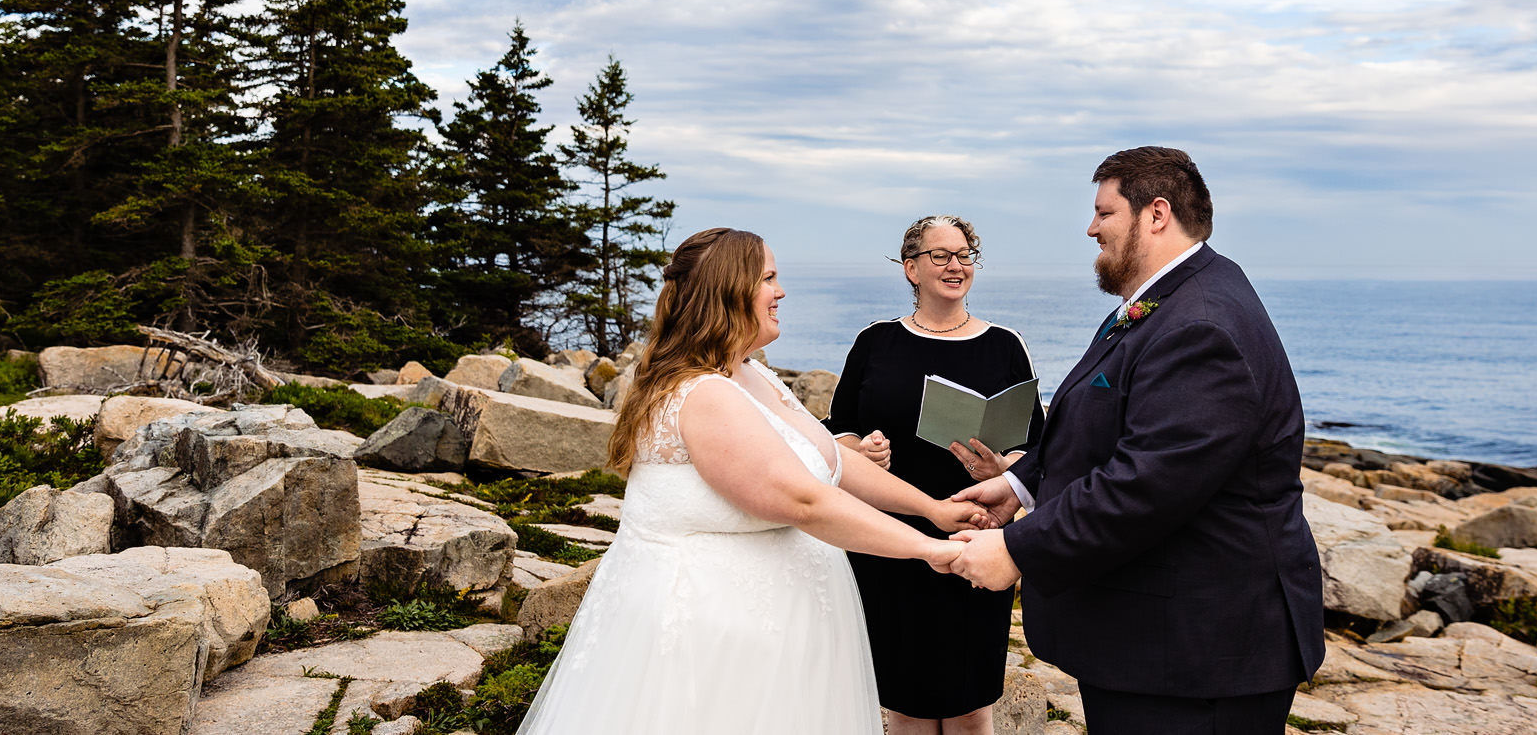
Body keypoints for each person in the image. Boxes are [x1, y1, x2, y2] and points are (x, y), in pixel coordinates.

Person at [517, 227, 984, 735]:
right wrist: (928, 549)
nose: (780, 291)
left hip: (784, 633)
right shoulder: (703, 394)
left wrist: (932, 509)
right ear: (729, 290)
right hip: (715, 642)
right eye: (768, 278)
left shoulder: (750, 373)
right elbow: (804, 500)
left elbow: (833, 463)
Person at [947, 147, 1325, 735]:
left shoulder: (1201, 322)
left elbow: (1146, 483)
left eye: (1104, 212)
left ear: (1155, 213)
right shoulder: (1171, 299)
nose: (1091, 228)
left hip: (1199, 655)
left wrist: (1017, 549)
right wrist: (1021, 484)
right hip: (1156, 644)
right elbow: (1108, 421)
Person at [826, 215, 1046, 735]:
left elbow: (1038, 449)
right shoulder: (876, 342)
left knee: (972, 705)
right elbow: (837, 430)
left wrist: (1004, 468)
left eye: (965, 254)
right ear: (911, 269)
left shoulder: (1005, 345)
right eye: (941, 255)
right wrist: (865, 450)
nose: (956, 265)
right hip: (892, 538)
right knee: (906, 703)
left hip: (977, 534)